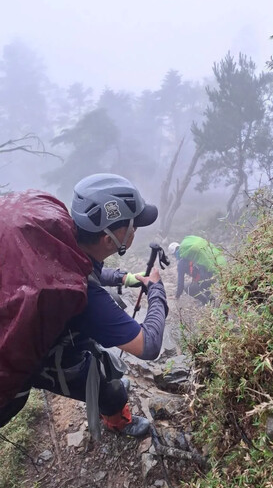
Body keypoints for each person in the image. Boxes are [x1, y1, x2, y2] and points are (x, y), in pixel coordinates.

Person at [0, 173, 168, 439]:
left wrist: (127, 278)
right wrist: (157, 291)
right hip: (19, 367)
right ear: (109, 238)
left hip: (21, 326)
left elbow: (79, 268)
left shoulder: (56, 232)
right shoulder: (83, 297)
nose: (136, 230)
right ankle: (117, 422)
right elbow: (147, 345)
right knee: (110, 385)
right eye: (133, 225)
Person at [168, 235, 226, 305]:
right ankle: (211, 300)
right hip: (213, 274)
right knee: (203, 282)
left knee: (187, 287)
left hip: (204, 280)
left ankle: (206, 301)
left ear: (174, 254)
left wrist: (177, 296)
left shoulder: (181, 264)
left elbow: (181, 284)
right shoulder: (193, 255)